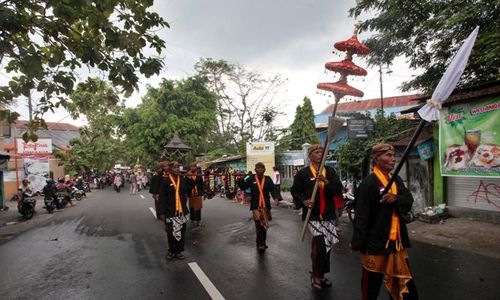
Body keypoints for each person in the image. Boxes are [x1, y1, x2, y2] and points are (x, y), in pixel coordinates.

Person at [351, 144, 418, 300]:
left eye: (393, 155)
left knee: (404, 286)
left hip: (397, 243)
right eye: (388, 155)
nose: (393, 159)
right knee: (371, 287)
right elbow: (361, 217)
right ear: (377, 158)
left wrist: (396, 199)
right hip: (375, 244)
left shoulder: (396, 180)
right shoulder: (368, 184)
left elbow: (408, 200)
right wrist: (357, 242)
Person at [291, 144, 342, 290]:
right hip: (313, 216)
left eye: (322, 152)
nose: (320, 154)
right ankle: (315, 275)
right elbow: (295, 192)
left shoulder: (330, 172)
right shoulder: (303, 173)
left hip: (328, 215)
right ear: (310, 155)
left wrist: (326, 182)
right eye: (317, 152)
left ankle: (322, 275)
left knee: (327, 247)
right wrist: (303, 201)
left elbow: (337, 190)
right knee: (318, 247)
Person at [237, 162, 275, 252]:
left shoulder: (268, 179)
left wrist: (277, 198)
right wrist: (240, 179)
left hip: (266, 206)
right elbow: (243, 187)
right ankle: (259, 244)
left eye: (262, 168)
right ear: (255, 170)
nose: (260, 169)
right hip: (256, 206)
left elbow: (273, 189)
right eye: (258, 168)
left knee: (264, 225)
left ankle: (263, 243)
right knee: (259, 225)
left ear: (264, 169)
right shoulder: (251, 178)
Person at [156, 161, 190, 260]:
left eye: (177, 167)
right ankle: (171, 250)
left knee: (181, 232)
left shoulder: (183, 180)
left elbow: (189, 191)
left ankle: (179, 251)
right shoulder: (165, 181)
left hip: (182, 212)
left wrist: (189, 178)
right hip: (170, 211)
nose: (176, 169)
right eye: (174, 167)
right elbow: (162, 198)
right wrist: (161, 212)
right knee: (171, 233)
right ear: (170, 169)